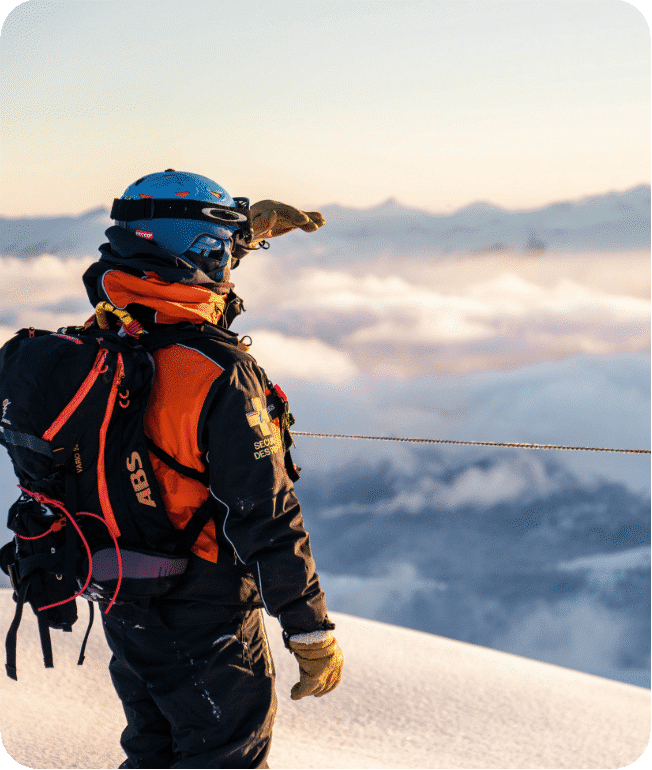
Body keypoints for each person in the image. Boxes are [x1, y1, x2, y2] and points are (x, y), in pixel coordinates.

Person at [80, 170, 343, 769]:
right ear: (200, 254)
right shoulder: (217, 372)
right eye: (220, 250)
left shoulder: (109, 334)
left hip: (127, 597)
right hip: (207, 612)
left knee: (155, 752)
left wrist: (238, 236)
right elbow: (265, 514)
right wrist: (309, 629)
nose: (228, 263)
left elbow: (163, 279)